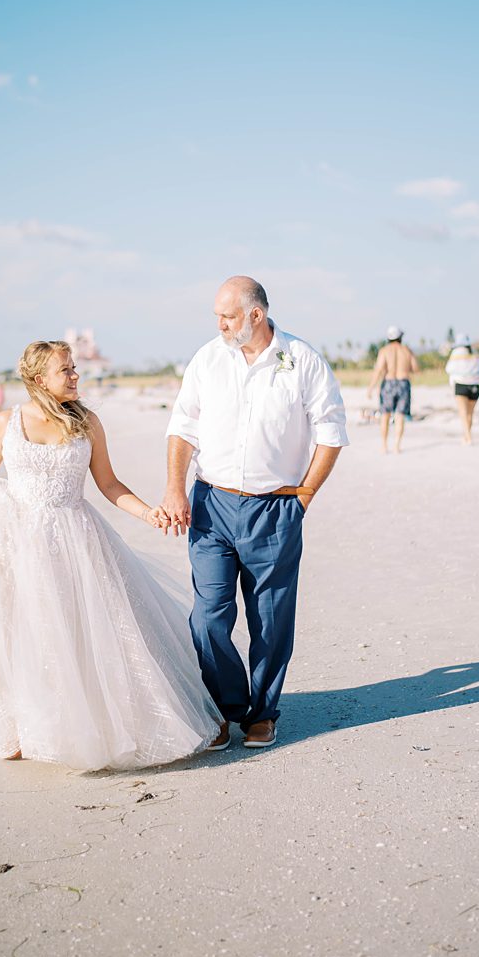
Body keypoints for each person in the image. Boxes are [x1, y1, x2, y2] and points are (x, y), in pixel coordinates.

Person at [0, 340, 221, 771]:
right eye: (66, 370)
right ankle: (26, 727)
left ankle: (95, 725)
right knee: (26, 634)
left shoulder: (88, 423)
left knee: (85, 632)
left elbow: (109, 485)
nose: (76, 375)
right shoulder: (7, 422)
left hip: (77, 539)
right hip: (18, 541)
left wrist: (148, 512)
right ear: (40, 380)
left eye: (75, 368)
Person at [160, 277, 348, 751]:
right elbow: (182, 428)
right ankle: (226, 708)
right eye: (218, 316)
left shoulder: (302, 360)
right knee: (207, 616)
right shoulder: (207, 358)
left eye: (228, 316)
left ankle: (262, 713)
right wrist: (174, 490)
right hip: (212, 505)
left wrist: (303, 496)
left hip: (275, 510)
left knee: (270, 619)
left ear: (256, 316)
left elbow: (331, 431)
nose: (220, 324)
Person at [368, 326, 416, 453]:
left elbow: (378, 370)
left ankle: (384, 446)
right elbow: (415, 368)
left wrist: (370, 388)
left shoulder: (384, 350)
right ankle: (397, 446)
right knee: (400, 416)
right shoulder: (406, 350)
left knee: (385, 416)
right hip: (404, 383)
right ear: (400, 337)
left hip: (388, 383)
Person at [446, 334, 479, 446]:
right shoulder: (475, 353)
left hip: (461, 384)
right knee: (470, 414)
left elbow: (449, 369)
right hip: (474, 386)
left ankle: (468, 437)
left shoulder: (457, 353)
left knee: (463, 413)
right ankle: (466, 436)